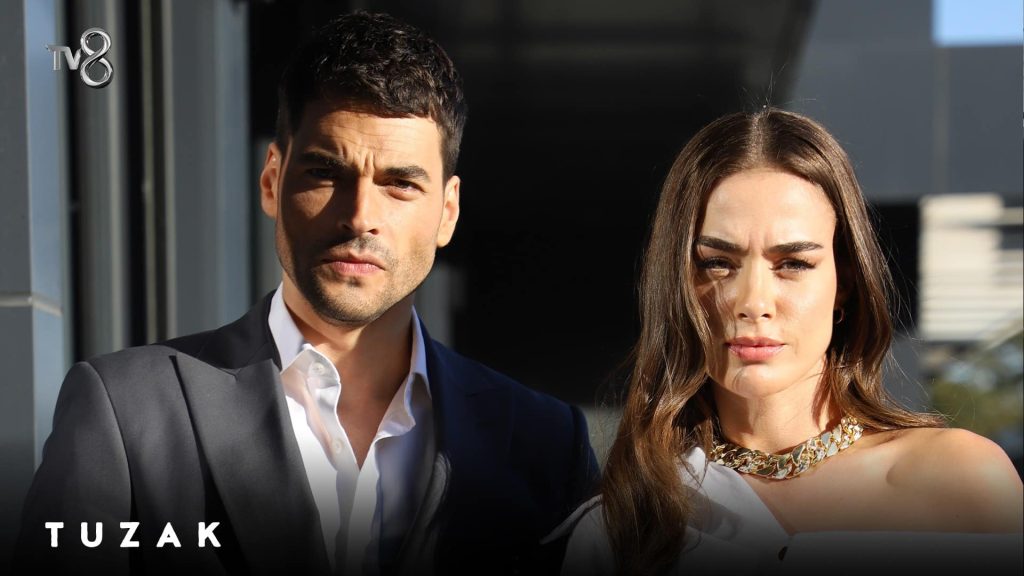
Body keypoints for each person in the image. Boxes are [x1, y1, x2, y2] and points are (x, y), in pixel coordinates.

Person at [15, 12, 597, 576]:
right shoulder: (126, 410)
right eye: (326, 173)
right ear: (272, 180)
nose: (360, 216)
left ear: (448, 211)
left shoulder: (545, 444)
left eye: (399, 184)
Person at [557, 108, 1022, 576]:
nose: (753, 302)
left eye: (793, 264)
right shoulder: (626, 526)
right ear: (675, 283)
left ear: (845, 283)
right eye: (717, 263)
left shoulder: (961, 482)